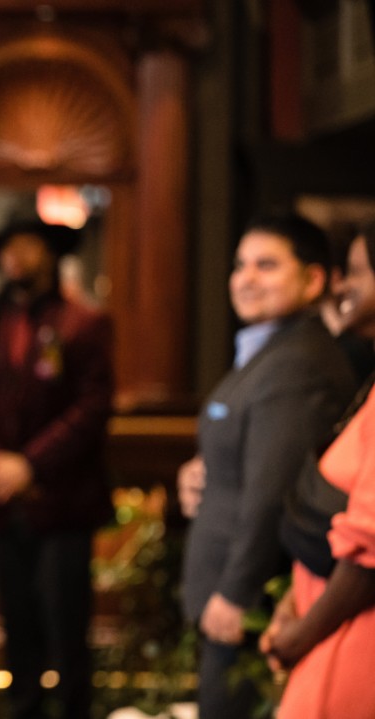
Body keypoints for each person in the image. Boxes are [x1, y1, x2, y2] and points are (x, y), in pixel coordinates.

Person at [177, 211, 356, 719]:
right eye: (240, 265)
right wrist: (200, 469)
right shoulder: (270, 349)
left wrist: (236, 593)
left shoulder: (297, 361)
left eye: (267, 265)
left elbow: (270, 492)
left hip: (250, 598)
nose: (246, 279)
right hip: (230, 588)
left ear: (314, 278)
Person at [0, 215, 113, 719]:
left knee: (67, 632)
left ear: (49, 252)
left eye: (25, 246)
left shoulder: (83, 322)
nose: (14, 257)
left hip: (62, 500)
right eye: (7, 249)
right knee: (17, 629)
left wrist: (29, 465)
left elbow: (91, 409)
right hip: (1, 500)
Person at [260, 224, 375, 718]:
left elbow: (370, 554)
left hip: (353, 646)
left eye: (355, 273)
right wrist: (292, 606)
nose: (341, 286)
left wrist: (297, 638)